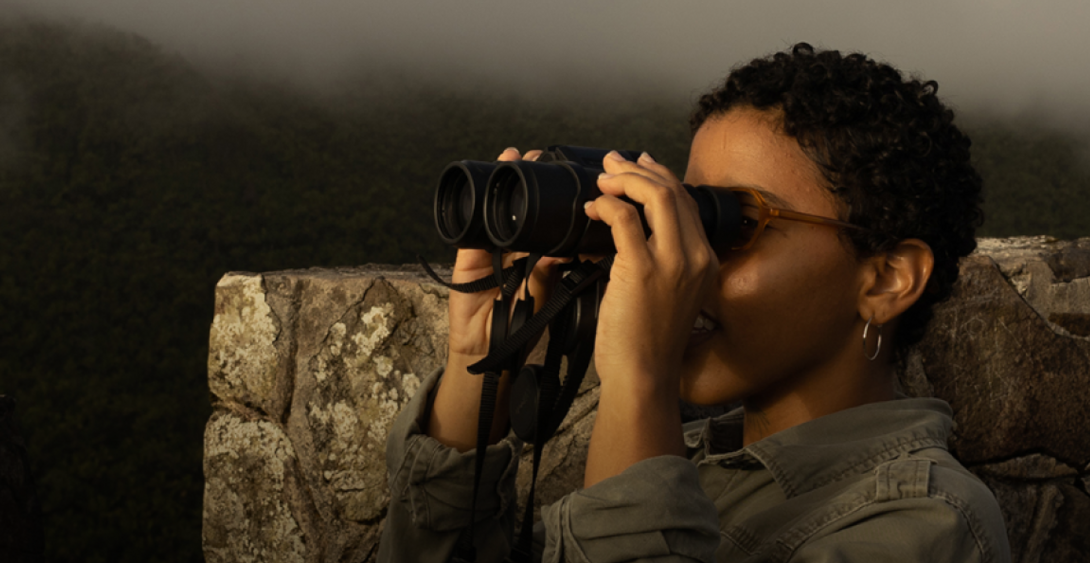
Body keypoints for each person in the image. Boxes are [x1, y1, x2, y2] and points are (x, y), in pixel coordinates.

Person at [381, 43, 1009, 563]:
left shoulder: (928, 524)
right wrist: (476, 364)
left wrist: (641, 375)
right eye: (682, 211)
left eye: (733, 223)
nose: (689, 257)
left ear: (885, 280)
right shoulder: (689, 461)